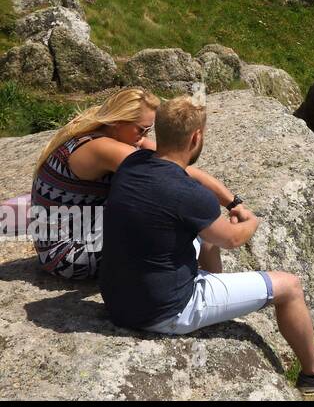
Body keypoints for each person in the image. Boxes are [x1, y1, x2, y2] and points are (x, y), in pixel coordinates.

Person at [98, 95, 314, 395]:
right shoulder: (187, 194)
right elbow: (233, 238)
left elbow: (187, 192)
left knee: (203, 236)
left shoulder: (133, 163)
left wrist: (228, 201)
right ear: (196, 137)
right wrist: (250, 219)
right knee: (290, 287)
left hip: (118, 302)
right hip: (163, 311)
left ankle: (218, 294)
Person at [30, 87, 240, 280]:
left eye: (148, 131)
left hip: (59, 244)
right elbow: (173, 175)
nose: (143, 138)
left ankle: (208, 279)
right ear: (117, 122)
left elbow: (173, 164)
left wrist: (232, 202)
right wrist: (230, 205)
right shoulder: (104, 149)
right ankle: (211, 284)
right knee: (191, 219)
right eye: (142, 130)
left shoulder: (100, 136)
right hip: (67, 255)